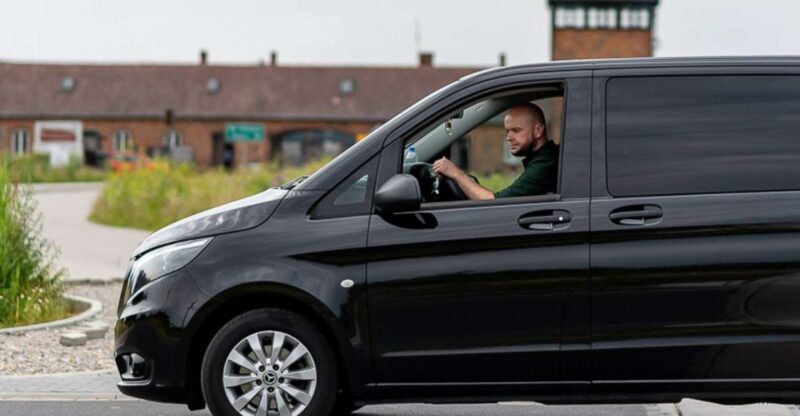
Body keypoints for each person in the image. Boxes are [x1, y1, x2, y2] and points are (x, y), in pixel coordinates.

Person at [432, 103, 558, 200]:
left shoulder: (545, 164)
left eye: (516, 130)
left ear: (538, 130)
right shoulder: (543, 159)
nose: (509, 138)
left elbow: (494, 203)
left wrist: (457, 174)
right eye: (507, 131)